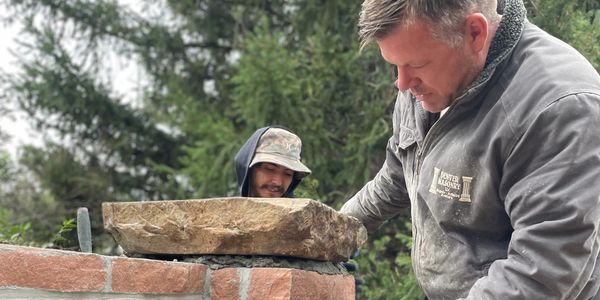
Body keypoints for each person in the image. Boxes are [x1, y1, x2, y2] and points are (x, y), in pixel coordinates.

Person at [340, 0, 600, 299]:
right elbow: (400, 172)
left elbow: (542, 272)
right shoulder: (426, 82)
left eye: (416, 64)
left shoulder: (560, 108)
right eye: (395, 66)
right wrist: (335, 230)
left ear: (475, 33)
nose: (402, 84)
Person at [234, 126, 311, 198]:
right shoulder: (226, 211)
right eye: (270, 169)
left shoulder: (303, 212)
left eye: (288, 174)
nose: (278, 182)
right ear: (249, 169)